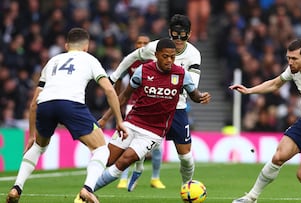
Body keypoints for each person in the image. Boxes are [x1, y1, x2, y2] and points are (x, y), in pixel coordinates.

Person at [73, 38, 210, 201]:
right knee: (107, 158)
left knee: (124, 161)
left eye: (172, 57)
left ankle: (84, 194)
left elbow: (194, 95)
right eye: (165, 56)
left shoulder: (181, 74)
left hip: (153, 132)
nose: (169, 61)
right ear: (156, 55)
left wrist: (202, 97)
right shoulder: (143, 71)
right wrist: (105, 118)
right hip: (132, 123)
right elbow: (124, 97)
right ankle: (86, 191)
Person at [6, 27, 126, 203]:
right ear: (86, 46)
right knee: (101, 149)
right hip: (71, 104)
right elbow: (109, 89)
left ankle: (16, 188)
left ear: (66, 45)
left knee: (38, 147)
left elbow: (34, 102)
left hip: (45, 104)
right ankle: (87, 189)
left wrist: (32, 134)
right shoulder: (89, 59)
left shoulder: (52, 61)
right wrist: (119, 121)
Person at [229, 38, 301, 203]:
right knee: (278, 156)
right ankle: (251, 197)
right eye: (288, 58)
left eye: (294, 58)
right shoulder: (294, 69)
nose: (290, 62)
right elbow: (275, 84)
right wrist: (249, 91)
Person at [108, 14, 203, 191]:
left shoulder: (194, 55)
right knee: (138, 147)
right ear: (170, 33)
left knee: (186, 157)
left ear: (189, 35)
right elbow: (131, 57)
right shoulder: (154, 48)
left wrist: (193, 93)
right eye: (175, 35)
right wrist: (114, 77)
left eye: (183, 36)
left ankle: (186, 187)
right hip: (151, 107)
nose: (179, 40)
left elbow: (193, 87)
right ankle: (134, 174)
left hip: (177, 108)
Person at [115, 33, 167, 190]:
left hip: (153, 106)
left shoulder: (157, 61)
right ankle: (123, 178)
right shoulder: (131, 60)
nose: (142, 45)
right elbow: (118, 78)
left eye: (145, 42)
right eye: (139, 42)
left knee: (157, 146)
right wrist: (118, 100)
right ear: (135, 45)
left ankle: (155, 178)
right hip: (133, 105)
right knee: (127, 141)